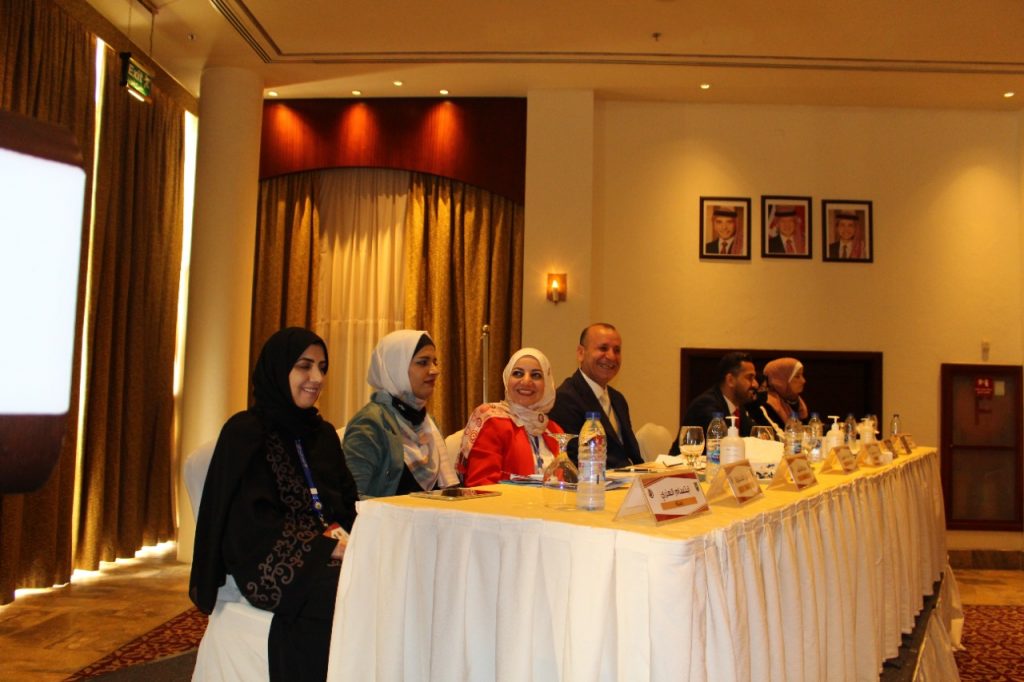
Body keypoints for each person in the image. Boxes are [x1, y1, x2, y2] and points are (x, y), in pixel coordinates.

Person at [190, 327, 359, 682]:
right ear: (278, 369)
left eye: (322, 368)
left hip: (333, 552)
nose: (317, 378)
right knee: (347, 594)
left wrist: (356, 539)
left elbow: (346, 504)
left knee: (385, 582)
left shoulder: (322, 435)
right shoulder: (246, 432)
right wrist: (324, 548)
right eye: (304, 366)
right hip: (271, 560)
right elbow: (247, 526)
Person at [343, 329, 459, 499]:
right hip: (390, 517)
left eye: (435, 362)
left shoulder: (428, 423)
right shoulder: (370, 423)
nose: (434, 370)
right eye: (423, 362)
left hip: (431, 514)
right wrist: (403, 511)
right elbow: (353, 498)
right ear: (396, 368)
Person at [458, 348, 565, 486]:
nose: (526, 381)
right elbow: (481, 485)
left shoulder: (554, 430)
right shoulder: (492, 421)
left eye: (536, 375)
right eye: (518, 373)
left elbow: (563, 484)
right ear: (507, 379)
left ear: (547, 383)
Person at [548, 323, 643, 470]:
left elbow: (632, 456)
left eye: (617, 350)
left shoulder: (618, 399)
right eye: (603, 348)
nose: (611, 356)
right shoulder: (564, 399)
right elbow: (573, 462)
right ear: (581, 353)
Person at [670, 351, 761, 454]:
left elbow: (754, 438)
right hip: (686, 463)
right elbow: (724, 443)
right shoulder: (706, 404)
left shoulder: (739, 408)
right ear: (730, 380)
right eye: (750, 378)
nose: (755, 384)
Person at [755, 357, 809, 432]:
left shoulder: (797, 402)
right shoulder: (767, 404)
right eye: (797, 376)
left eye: (802, 375)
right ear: (780, 380)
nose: (803, 381)